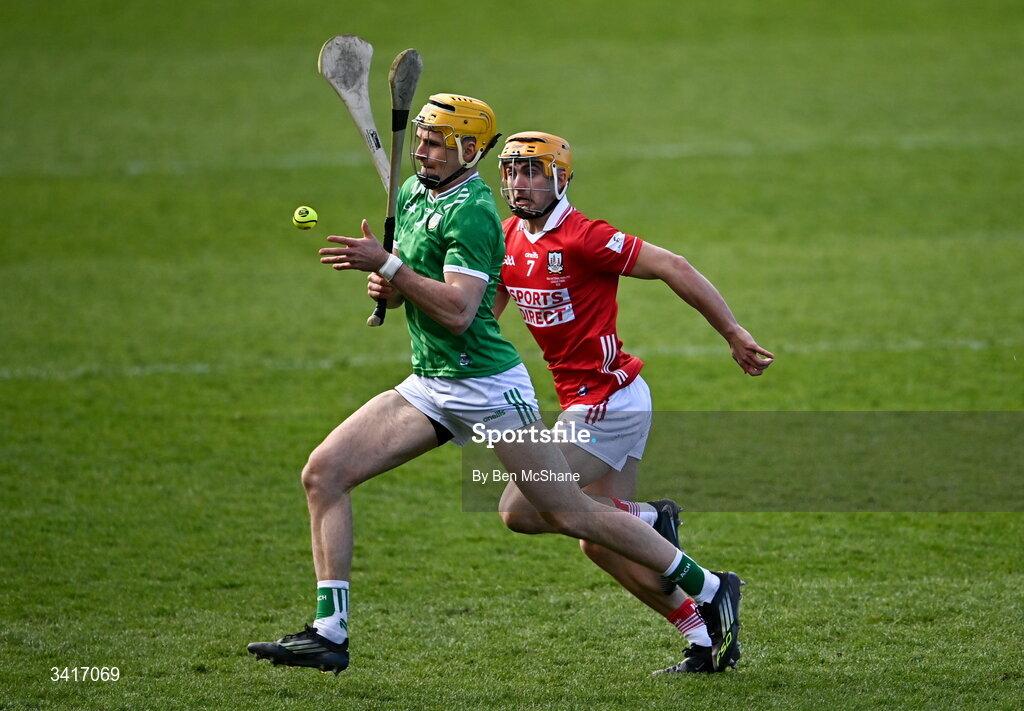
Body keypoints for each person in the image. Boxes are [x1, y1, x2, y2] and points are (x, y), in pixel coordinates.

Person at [246, 96, 732, 675]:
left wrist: (393, 267)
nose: (423, 150)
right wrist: (388, 285)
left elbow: (458, 313)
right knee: (324, 472)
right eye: (421, 139)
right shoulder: (415, 197)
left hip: (488, 388)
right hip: (432, 381)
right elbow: (442, 295)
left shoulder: (479, 214)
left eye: (435, 142)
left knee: (569, 516)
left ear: (468, 150)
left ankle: (702, 581)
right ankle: (330, 632)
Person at [492, 132, 774, 674]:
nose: (520, 184)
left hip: (609, 402)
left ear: (561, 178)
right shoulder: (507, 239)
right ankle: (702, 638)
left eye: (533, 172)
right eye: (512, 172)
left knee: (521, 507)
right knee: (599, 543)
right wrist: (398, 282)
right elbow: (475, 314)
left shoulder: (584, 237)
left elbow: (675, 265)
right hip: (587, 401)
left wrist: (733, 332)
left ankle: (648, 517)